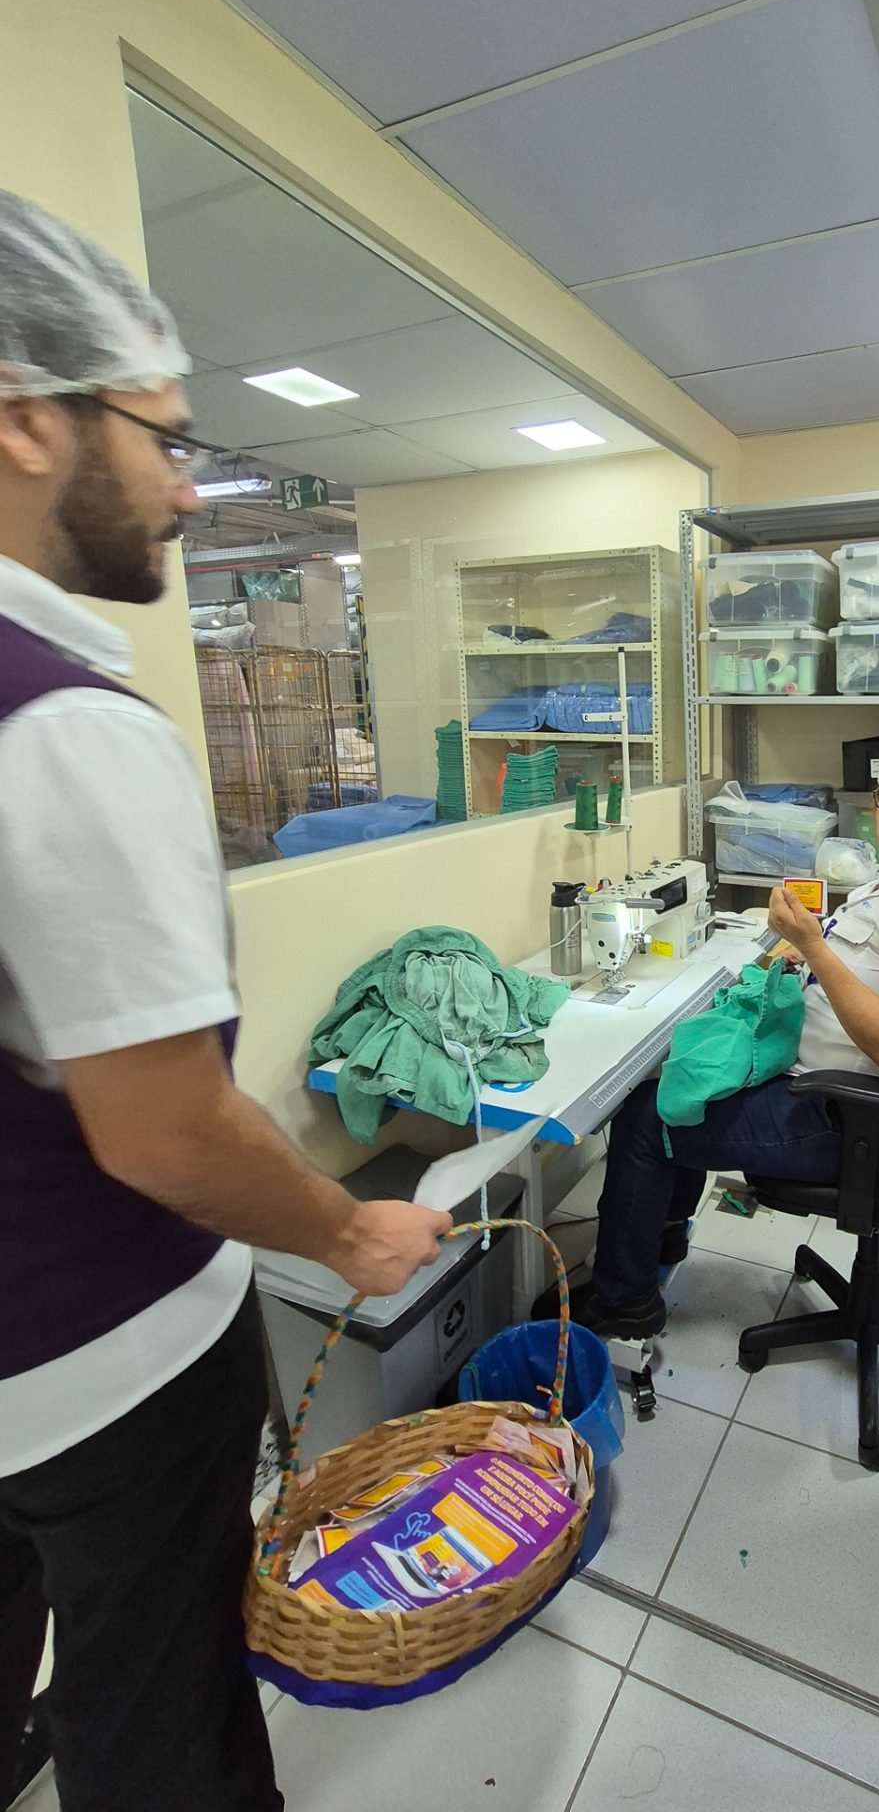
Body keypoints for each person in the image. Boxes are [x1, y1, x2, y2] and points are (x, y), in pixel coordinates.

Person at [0, 192, 451, 1812]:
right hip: (104, 1365)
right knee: (160, 1713)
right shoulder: (61, 727)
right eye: (167, 437)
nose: (193, 487)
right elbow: (167, 1132)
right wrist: (345, 1230)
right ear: (28, 417)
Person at [564, 743, 879, 1337]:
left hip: (854, 1120)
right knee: (685, 1081)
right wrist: (801, 958)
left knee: (648, 1118)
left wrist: (813, 947)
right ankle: (658, 1244)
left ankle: (623, 1301)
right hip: (840, 1096)